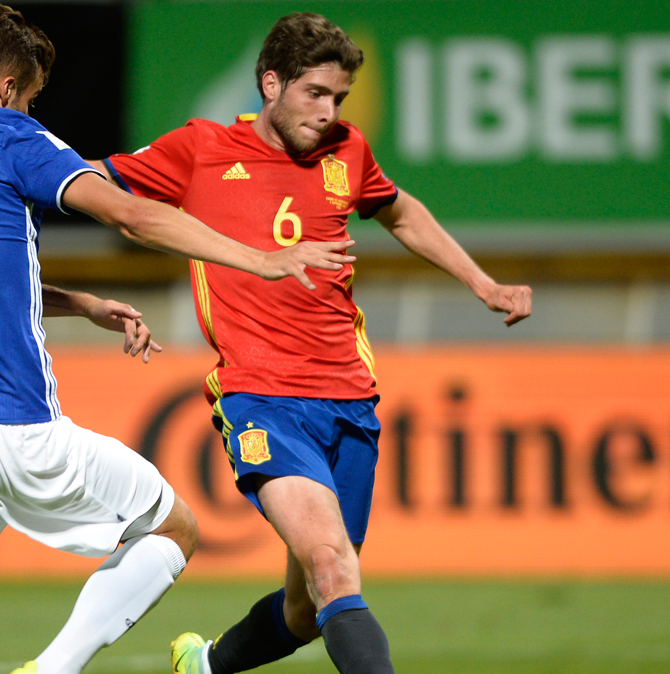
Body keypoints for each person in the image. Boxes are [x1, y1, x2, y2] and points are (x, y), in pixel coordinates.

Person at [0, 5, 357, 674]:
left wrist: (78, 304)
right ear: (5, 88)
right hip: (3, 420)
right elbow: (134, 216)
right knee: (172, 528)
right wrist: (261, 259)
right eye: (30, 98)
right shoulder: (10, 136)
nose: (29, 111)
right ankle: (54, 668)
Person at [94, 12, 533, 674]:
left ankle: (206, 665)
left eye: (339, 99)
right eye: (315, 94)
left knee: (307, 610)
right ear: (270, 83)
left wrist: (482, 282)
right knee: (333, 567)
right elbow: (98, 190)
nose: (329, 113)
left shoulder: (347, 152)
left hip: (349, 401)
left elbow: (402, 211)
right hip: (261, 398)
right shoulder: (202, 147)